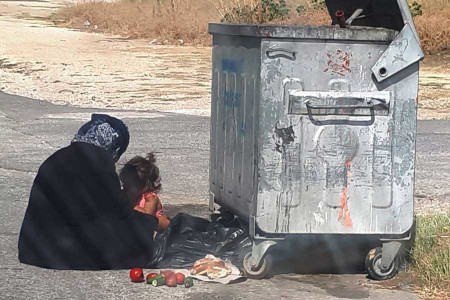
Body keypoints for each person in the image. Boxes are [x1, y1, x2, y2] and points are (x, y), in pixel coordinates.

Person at [18, 114, 159, 270]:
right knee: (137, 239)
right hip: (66, 253)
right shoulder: (99, 162)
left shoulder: (55, 157)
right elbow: (119, 216)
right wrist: (150, 224)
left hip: (33, 249)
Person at [120, 153, 171, 231]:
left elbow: (146, 217)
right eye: (124, 184)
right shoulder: (124, 194)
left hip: (151, 231)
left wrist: (131, 204)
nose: (126, 188)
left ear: (145, 186)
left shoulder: (150, 198)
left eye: (131, 186)